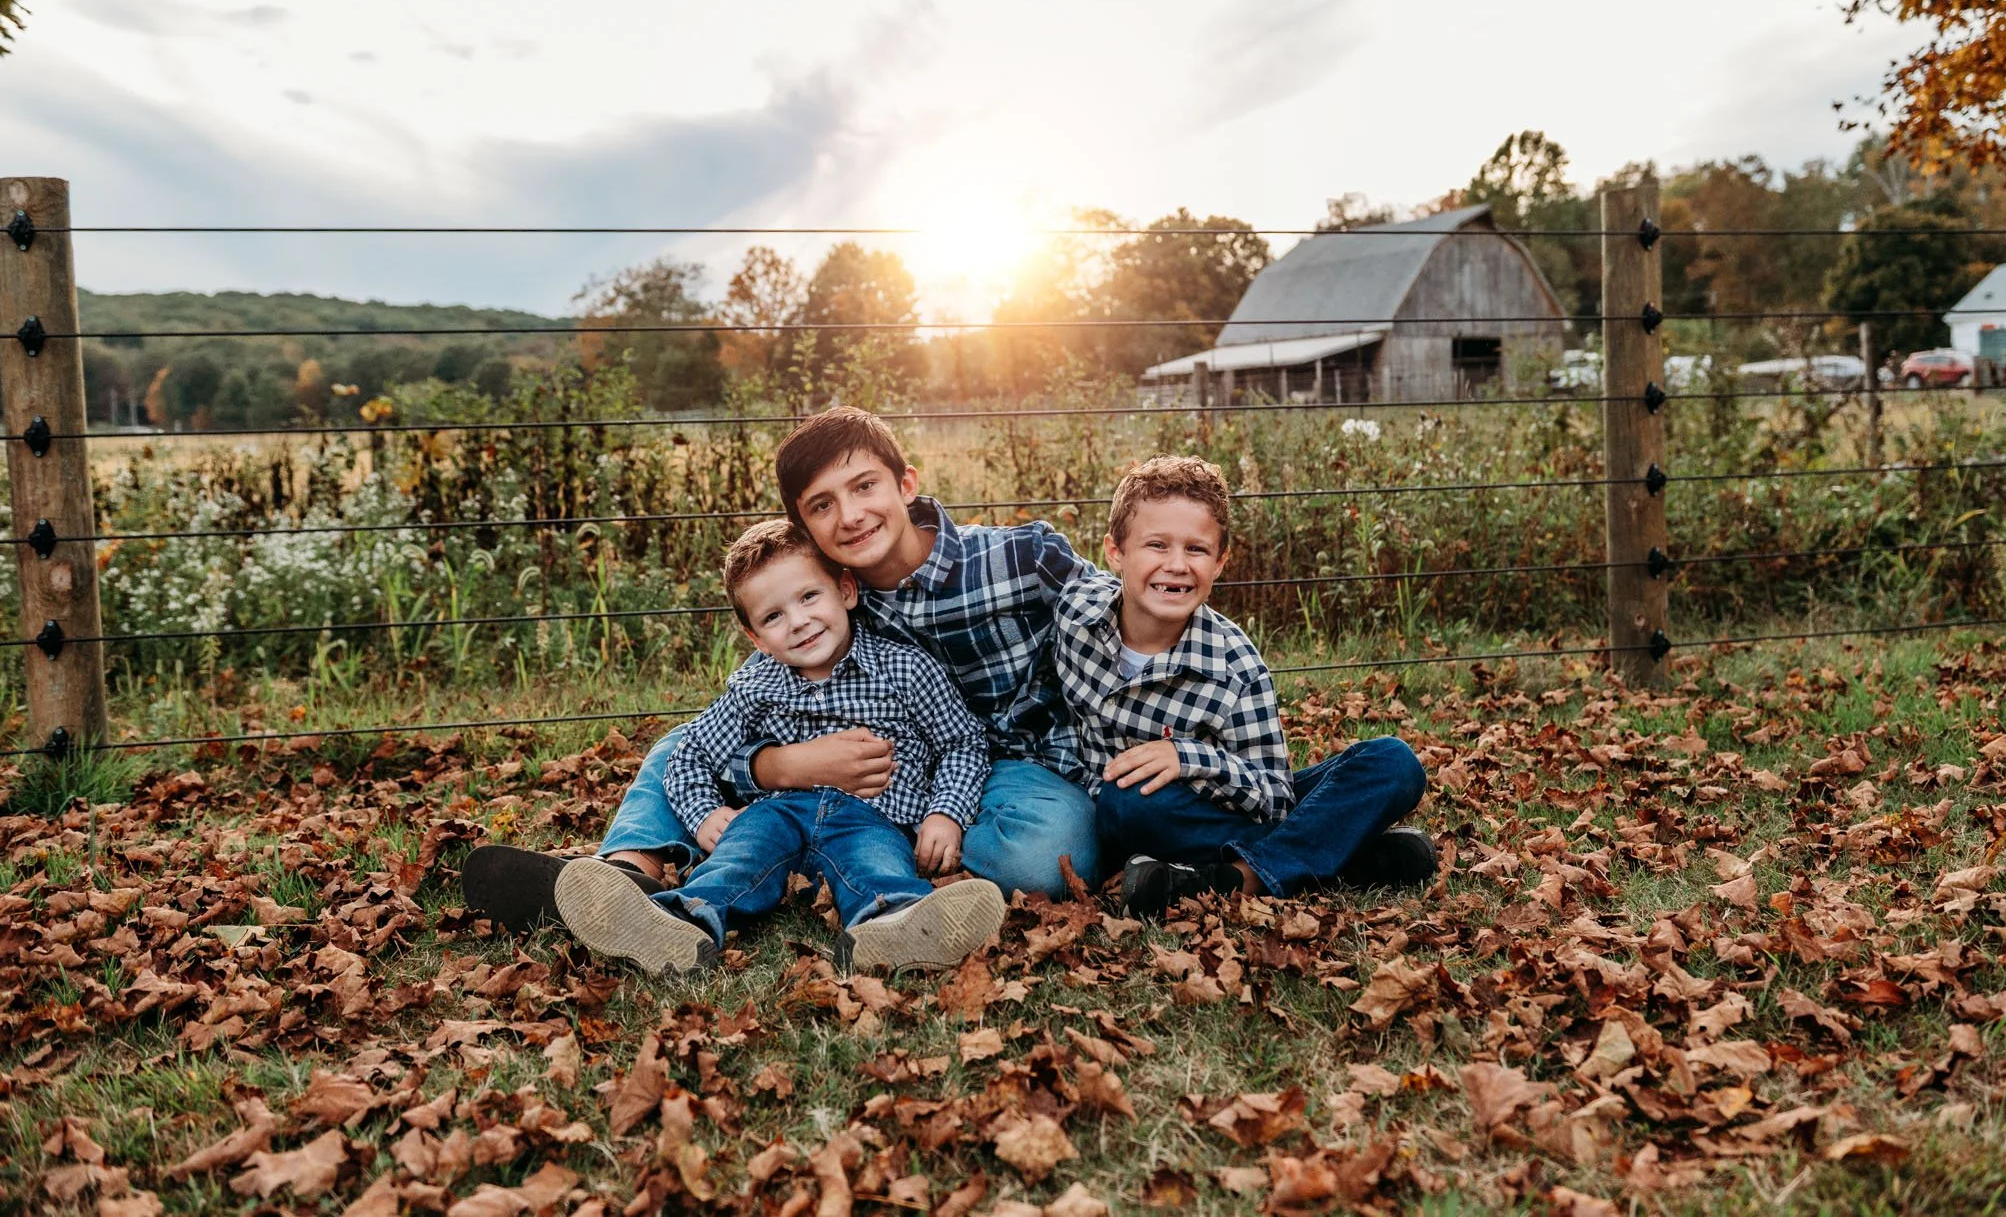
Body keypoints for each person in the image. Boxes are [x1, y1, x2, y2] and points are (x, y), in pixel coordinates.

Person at [463, 406, 1100, 930]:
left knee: (1047, 854)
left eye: (865, 487)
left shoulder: (1020, 556)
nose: (849, 516)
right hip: (850, 776)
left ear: (906, 484)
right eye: (821, 506)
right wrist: (781, 765)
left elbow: (1130, 617)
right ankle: (625, 877)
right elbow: (755, 710)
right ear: (804, 528)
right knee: (685, 742)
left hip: (1005, 771)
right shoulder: (822, 594)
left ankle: (879, 870)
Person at [552, 519, 1006, 975]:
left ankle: (895, 924)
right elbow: (690, 753)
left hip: (873, 816)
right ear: (756, 638)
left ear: (846, 591)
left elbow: (961, 742)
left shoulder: (905, 670)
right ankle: (681, 924)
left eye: (810, 597)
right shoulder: (755, 686)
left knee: (876, 866)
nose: (799, 622)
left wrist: (945, 812)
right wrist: (704, 813)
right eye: (773, 616)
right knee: (737, 860)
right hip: (778, 812)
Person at [1053, 455, 1436, 916]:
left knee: (1393, 762)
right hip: (1142, 814)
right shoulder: (1075, 613)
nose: (1176, 565)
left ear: (1220, 562)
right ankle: (1347, 855)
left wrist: (1190, 757)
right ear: (1116, 553)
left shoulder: (1235, 666)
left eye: (1196, 550)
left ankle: (1236, 879)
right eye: (1156, 545)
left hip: (1221, 805)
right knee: (1127, 800)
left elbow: (1275, 798)